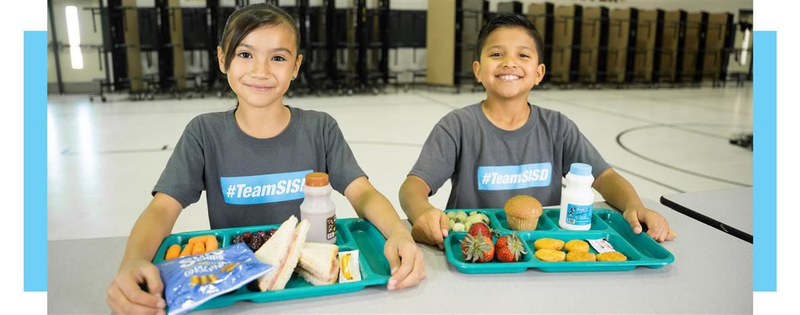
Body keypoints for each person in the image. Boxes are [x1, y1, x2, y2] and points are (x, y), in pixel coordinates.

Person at [106, 4, 424, 315]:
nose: (261, 70)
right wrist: (133, 262)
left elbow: (363, 192)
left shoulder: (320, 128)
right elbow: (162, 208)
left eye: (278, 58)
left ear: (296, 66)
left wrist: (397, 232)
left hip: (309, 292)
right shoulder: (204, 133)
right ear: (222, 59)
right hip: (240, 294)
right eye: (245, 54)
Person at [399, 14, 676, 250]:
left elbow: (605, 177)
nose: (509, 62)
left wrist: (634, 205)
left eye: (523, 55)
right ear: (478, 70)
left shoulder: (558, 127)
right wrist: (422, 212)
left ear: (539, 73)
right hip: (477, 251)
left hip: (541, 249)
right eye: (496, 54)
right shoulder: (457, 126)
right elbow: (413, 187)